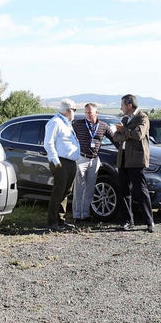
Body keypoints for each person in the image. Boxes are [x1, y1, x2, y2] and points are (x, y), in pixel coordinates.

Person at [111, 95, 155, 232]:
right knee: (124, 190)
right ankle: (128, 221)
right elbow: (115, 137)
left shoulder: (142, 118)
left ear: (130, 106)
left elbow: (138, 135)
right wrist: (126, 133)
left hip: (136, 160)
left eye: (122, 105)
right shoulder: (124, 119)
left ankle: (149, 222)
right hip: (123, 159)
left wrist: (123, 131)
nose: (121, 108)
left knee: (141, 191)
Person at [44, 99, 82, 232]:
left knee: (66, 191)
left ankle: (60, 219)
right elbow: (48, 143)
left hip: (70, 162)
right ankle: (52, 222)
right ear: (67, 110)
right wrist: (56, 162)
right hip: (61, 162)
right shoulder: (55, 122)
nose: (75, 113)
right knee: (58, 191)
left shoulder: (67, 123)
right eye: (74, 110)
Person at [71, 103, 110, 223]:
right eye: (86, 112)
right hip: (82, 158)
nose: (88, 114)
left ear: (96, 113)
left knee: (90, 188)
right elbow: (68, 137)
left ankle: (86, 214)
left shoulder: (103, 126)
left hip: (95, 159)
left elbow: (114, 139)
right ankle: (77, 215)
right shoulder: (78, 124)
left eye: (90, 112)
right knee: (79, 188)